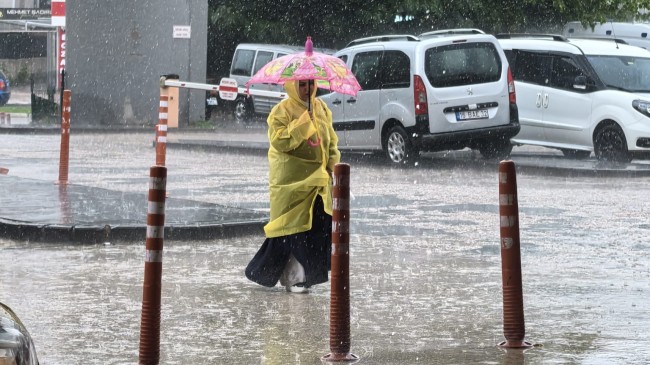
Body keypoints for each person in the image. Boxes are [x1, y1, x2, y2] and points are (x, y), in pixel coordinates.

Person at [245, 78, 340, 293]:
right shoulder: (281, 111)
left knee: (316, 227)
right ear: (292, 86)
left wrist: (333, 167)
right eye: (301, 85)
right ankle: (296, 278)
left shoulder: (322, 108)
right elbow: (280, 141)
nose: (307, 89)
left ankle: (302, 275)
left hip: (318, 183)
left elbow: (331, 143)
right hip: (291, 184)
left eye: (310, 84)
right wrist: (302, 123)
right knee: (293, 230)